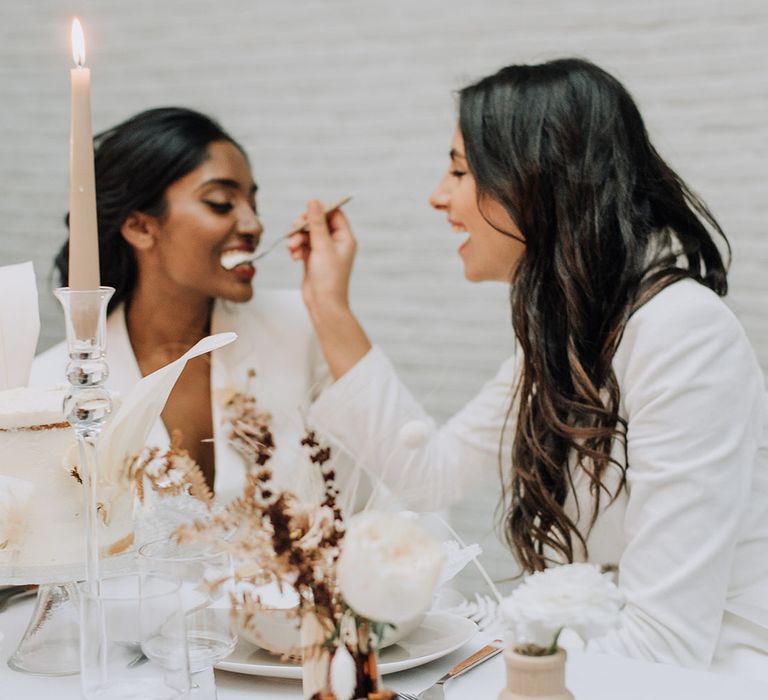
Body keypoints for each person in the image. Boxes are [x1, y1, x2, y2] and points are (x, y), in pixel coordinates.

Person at [291, 59, 768, 678]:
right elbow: (427, 475)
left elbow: (665, 646)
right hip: (597, 664)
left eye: (460, 170)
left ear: (535, 181)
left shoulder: (683, 332)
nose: (438, 195)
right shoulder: (572, 330)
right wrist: (327, 304)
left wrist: (481, 669)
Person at [31, 107, 335, 504]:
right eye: (222, 203)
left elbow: (368, 493)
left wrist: (333, 303)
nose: (254, 225)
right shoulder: (51, 387)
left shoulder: (302, 327)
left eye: (252, 204)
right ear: (141, 227)